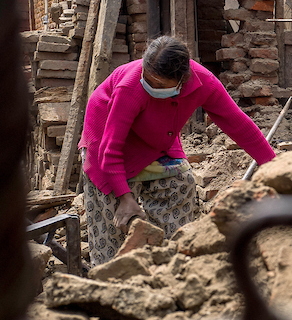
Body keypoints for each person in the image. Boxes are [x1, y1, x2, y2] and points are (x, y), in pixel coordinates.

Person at [80, 36, 276, 266]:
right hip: (106, 139)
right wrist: (125, 198)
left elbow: (237, 124)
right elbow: (110, 150)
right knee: (114, 223)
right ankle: (107, 280)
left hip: (157, 137)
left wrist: (274, 167)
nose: (150, 86)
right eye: (147, 78)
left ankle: (169, 266)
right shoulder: (131, 86)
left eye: (160, 85)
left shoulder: (204, 83)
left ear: (182, 81)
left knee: (181, 184)